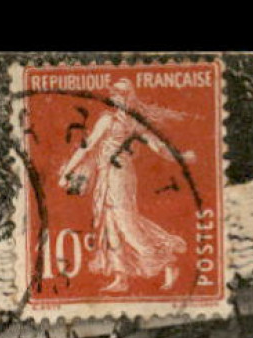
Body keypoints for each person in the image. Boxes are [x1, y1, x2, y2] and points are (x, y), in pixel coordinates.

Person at [57, 79, 192, 294]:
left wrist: (181, 157)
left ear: (128, 96)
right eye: (115, 94)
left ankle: (166, 260)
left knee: (125, 221)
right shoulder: (117, 121)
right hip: (107, 174)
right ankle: (121, 277)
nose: (116, 97)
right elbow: (88, 147)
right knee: (109, 222)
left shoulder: (123, 122)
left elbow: (156, 146)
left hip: (118, 174)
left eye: (121, 94)